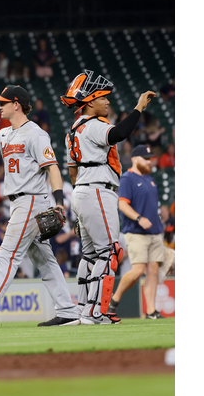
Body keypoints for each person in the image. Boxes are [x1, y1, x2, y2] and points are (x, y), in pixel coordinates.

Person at [0, 85, 80, 327]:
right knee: (44, 260)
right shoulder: (4, 134)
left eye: (3, 102)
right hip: (18, 202)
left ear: (17, 104)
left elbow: (52, 167)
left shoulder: (35, 133)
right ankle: (68, 310)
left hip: (32, 199)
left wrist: (58, 202)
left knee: (8, 254)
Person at [59, 69, 156, 324]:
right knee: (109, 252)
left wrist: (80, 205)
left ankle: (84, 309)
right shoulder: (93, 124)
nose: (108, 101)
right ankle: (95, 312)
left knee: (90, 255)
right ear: (90, 101)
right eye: (103, 97)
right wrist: (138, 108)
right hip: (98, 190)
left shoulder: (73, 130)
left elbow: (71, 170)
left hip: (82, 189)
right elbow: (118, 134)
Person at [107, 145, 166, 319]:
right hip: (136, 231)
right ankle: (114, 301)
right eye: (145, 158)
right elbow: (122, 204)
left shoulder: (150, 179)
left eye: (149, 158)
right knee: (138, 270)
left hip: (155, 231)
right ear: (135, 159)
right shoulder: (127, 179)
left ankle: (151, 311)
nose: (149, 161)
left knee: (153, 270)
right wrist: (139, 218)